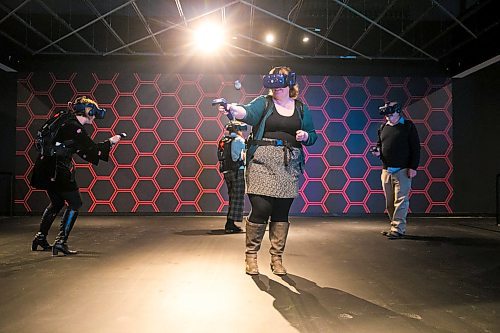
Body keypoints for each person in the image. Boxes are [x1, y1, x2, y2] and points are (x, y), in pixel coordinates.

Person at [217, 66, 317, 275]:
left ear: (290, 84)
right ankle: (251, 256)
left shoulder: (300, 108)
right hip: (261, 162)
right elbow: (248, 113)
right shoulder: (264, 102)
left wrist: (305, 137)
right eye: (273, 86)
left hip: (289, 165)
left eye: (280, 85)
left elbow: (312, 134)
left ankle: (276, 258)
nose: (277, 90)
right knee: (261, 208)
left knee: (281, 212)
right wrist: (232, 109)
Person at [30, 96, 122, 255]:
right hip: (58, 169)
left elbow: (78, 148)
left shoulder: (63, 119)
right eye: (94, 112)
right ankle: (61, 241)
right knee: (75, 202)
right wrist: (112, 141)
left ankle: (40, 237)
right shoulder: (75, 128)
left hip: (45, 166)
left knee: (57, 202)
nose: (94, 116)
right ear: (89, 111)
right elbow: (92, 149)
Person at [371, 101, 420, 239]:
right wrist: (377, 151)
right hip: (386, 170)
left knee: (401, 201)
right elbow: (379, 145)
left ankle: (398, 229)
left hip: (403, 170)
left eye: (391, 114)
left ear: (398, 112)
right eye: (386, 115)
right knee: (390, 202)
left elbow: (416, 148)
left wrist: (413, 167)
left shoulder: (408, 127)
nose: (388, 117)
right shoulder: (383, 127)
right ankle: (394, 226)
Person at [221, 121, 246, 234]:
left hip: (227, 172)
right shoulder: (239, 140)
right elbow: (239, 157)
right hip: (237, 171)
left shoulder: (224, 140)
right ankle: (230, 224)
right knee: (237, 197)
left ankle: (230, 222)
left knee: (232, 197)